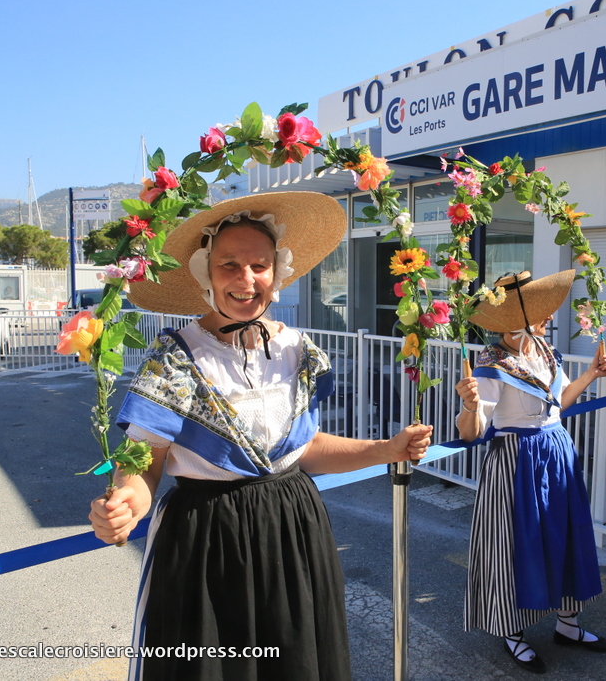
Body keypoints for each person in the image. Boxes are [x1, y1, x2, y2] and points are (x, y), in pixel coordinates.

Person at [88, 192, 433, 681]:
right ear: (206, 271)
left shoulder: (298, 350)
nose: (246, 279)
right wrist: (126, 503)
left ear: (277, 271)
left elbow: (304, 450)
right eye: (230, 263)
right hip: (208, 543)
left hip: (294, 532)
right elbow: (147, 459)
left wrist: (385, 449)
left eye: (259, 264)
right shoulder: (176, 359)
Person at [454, 270, 606, 674]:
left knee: (567, 536)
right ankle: (511, 630)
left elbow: (559, 401)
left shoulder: (544, 351)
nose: (547, 318)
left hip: (557, 451)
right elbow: (473, 433)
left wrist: (591, 374)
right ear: (513, 320)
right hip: (516, 461)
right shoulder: (491, 364)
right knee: (513, 544)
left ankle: (568, 624)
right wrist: (470, 405)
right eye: (539, 312)